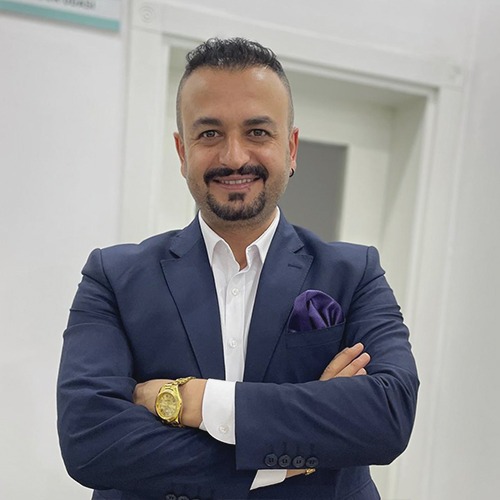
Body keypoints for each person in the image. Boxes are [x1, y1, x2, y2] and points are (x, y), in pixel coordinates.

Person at [57, 37, 419, 500]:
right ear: (182, 151)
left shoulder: (354, 273)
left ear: (291, 148)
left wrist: (192, 401)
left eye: (258, 132)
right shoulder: (114, 277)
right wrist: (287, 455)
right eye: (209, 133)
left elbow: (388, 416)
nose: (233, 157)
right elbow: (90, 443)